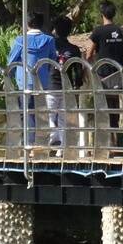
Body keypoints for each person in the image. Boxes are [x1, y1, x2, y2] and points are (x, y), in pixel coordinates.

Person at [7, 12, 57, 145]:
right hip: (43, 82)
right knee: (40, 112)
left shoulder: (20, 40)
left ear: (27, 24)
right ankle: (40, 142)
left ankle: (29, 143)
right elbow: (52, 59)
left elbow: (11, 61)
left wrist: (8, 77)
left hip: (24, 82)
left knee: (26, 112)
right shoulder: (49, 40)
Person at [87, 0, 123, 147]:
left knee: (102, 108)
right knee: (115, 108)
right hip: (118, 75)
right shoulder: (122, 31)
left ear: (102, 14)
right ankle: (115, 143)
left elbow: (89, 54)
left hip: (103, 76)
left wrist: (91, 69)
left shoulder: (98, 31)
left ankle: (105, 143)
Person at [47, 15, 83, 155]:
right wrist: (77, 86)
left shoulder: (49, 45)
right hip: (65, 87)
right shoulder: (73, 49)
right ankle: (61, 150)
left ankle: (53, 140)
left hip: (50, 86)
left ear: (55, 29)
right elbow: (78, 71)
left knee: (48, 116)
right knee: (63, 119)